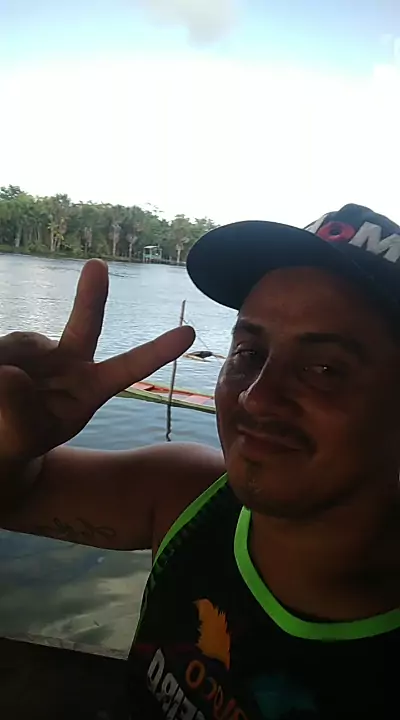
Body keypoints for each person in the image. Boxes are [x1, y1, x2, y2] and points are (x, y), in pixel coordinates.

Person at [0, 203, 399, 720]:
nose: (256, 398)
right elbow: (17, 496)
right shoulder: (183, 497)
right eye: (249, 353)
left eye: (324, 368)